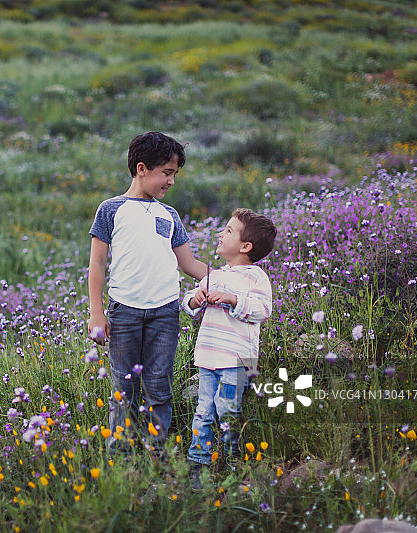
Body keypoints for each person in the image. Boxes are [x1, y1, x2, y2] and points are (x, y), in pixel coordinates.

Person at [87, 131, 209, 453]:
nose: (171, 182)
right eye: (166, 173)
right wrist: (97, 313)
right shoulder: (111, 210)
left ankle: (156, 452)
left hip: (165, 313)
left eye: (174, 175)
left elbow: (189, 264)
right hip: (124, 311)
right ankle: (122, 457)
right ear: (141, 169)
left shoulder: (169, 215)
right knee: (123, 388)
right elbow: (97, 265)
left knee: (158, 386)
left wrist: (230, 277)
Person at [183, 208, 276, 489]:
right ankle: (198, 465)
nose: (220, 234)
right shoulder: (215, 275)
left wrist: (234, 300)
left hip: (236, 359)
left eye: (229, 231)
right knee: (203, 412)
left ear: (245, 246)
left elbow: (263, 310)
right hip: (208, 356)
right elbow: (188, 304)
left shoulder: (255, 277)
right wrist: (195, 299)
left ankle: (234, 460)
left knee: (227, 409)